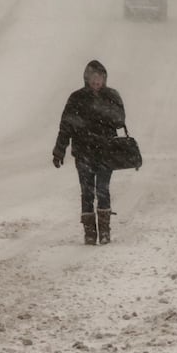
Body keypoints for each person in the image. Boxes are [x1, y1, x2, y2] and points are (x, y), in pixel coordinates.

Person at [51, 59, 126, 245]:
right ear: (86, 78)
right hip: (83, 152)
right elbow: (65, 126)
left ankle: (105, 231)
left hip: (106, 153)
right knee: (86, 192)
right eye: (93, 77)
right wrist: (59, 150)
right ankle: (90, 232)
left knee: (103, 190)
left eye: (100, 77)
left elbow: (119, 121)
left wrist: (105, 110)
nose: (96, 81)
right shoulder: (76, 98)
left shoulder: (112, 96)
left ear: (105, 78)